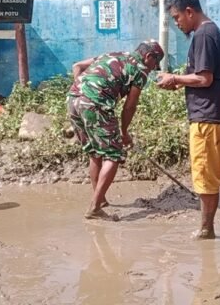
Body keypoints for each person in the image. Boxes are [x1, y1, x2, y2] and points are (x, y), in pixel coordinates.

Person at [155, 0, 220, 241]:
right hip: (212, 115)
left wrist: (174, 77)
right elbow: (204, 77)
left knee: (205, 175)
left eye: (177, 18)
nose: (177, 23)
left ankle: (207, 229)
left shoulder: (204, 34)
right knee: (216, 172)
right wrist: (180, 81)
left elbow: (205, 78)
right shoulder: (210, 32)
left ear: (189, 11)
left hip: (207, 118)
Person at [68, 40, 164, 220]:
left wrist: (83, 92)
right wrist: (124, 132)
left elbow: (77, 66)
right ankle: (95, 207)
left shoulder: (112, 55)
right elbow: (130, 106)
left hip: (73, 100)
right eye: (155, 63)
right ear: (148, 56)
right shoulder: (140, 69)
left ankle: (100, 199)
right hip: (96, 105)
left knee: (95, 153)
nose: (154, 68)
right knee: (113, 155)